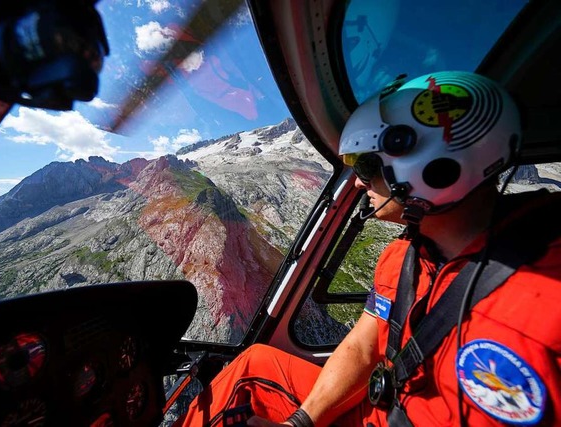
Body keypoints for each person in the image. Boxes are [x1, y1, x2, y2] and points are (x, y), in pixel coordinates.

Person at [174, 71, 561, 426]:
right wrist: (300, 423)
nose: (359, 184)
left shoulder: (548, 291)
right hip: (385, 411)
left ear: (434, 168)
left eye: (365, 168)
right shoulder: (401, 258)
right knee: (252, 365)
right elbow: (363, 346)